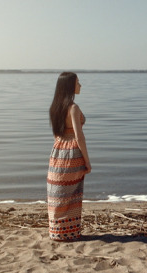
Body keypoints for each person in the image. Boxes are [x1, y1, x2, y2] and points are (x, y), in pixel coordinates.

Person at [47, 72, 91, 241]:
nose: (80, 86)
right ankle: (70, 232)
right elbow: (79, 137)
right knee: (72, 194)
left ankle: (57, 231)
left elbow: (56, 133)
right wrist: (87, 161)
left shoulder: (55, 107)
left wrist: (59, 150)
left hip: (57, 151)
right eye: (78, 83)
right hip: (72, 152)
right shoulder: (73, 108)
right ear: (70, 86)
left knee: (58, 193)